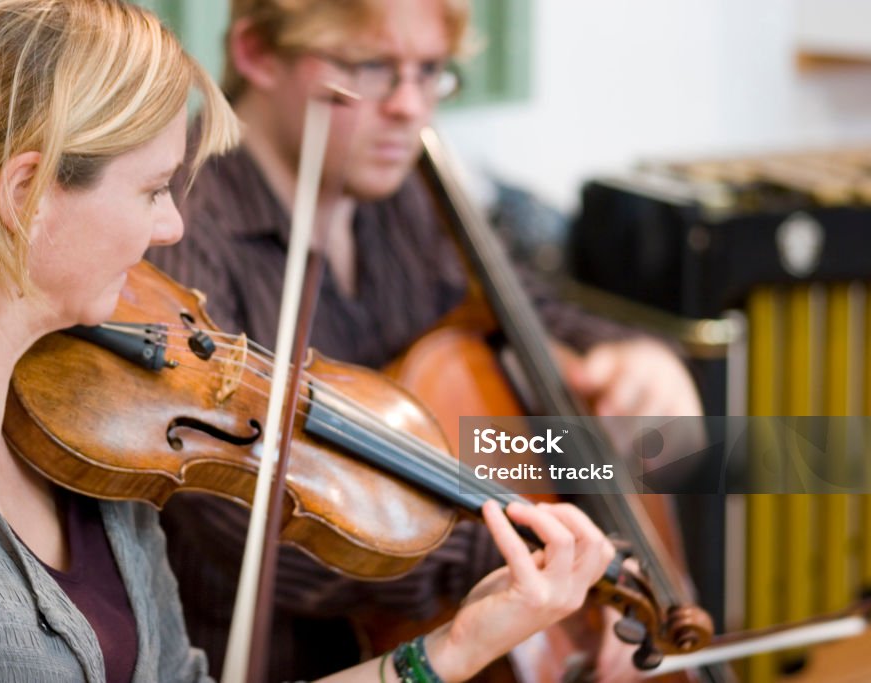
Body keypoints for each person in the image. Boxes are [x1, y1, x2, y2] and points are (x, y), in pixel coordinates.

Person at [0, 1, 616, 682]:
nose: (169, 226)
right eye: (151, 190)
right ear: (24, 193)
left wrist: (448, 651)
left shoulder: (93, 435)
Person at [147, 0, 705, 680]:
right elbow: (233, 510)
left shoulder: (409, 194)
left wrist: (638, 356)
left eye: (430, 71)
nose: (410, 107)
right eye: (371, 68)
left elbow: (529, 310)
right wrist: (527, 552)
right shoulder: (175, 223)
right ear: (258, 54)